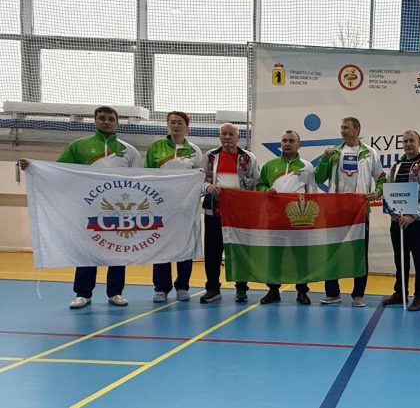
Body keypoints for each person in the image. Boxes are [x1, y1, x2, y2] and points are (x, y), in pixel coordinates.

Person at [20, 106, 142, 309]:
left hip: (118, 210)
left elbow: (138, 180)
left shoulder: (130, 151)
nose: (106, 122)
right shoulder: (78, 146)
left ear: (117, 122)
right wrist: (33, 167)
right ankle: (83, 293)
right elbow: (59, 171)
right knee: (86, 251)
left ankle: (115, 292)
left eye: (110, 119)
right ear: (95, 120)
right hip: (87, 208)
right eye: (102, 118)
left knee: (117, 251)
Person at [314, 117, 385, 307]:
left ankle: (358, 294)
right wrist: (324, 159)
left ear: (357, 130)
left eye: (346, 127)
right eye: (341, 127)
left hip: (360, 211)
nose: (342, 131)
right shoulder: (334, 153)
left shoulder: (369, 153)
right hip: (335, 211)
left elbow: (381, 177)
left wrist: (378, 191)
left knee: (359, 253)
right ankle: (332, 293)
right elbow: (319, 177)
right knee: (332, 252)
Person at [145, 111, 203, 303]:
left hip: (186, 208)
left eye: (179, 122)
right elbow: (146, 175)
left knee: (185, 247)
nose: (175, 125)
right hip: (161, 207)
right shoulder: (156, 147)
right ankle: (161, 288)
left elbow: (199, 177)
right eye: (172, 122)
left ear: (187, 127)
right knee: (161, 248)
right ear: (168, 125)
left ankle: (183, 286)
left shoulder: (194, 150)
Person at [256, 130, 318, 306]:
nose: (287, 144)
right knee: (274, 256)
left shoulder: (307, 167)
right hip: (275, 219)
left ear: (299, 145)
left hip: (299, 219)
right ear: (280, 143)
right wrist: (266, 191)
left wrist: (311, 219)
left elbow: (312, 193)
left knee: (301, 257)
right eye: (284, 140)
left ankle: (302, 291)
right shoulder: (269, 165)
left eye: (291, 140)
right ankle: (273, 290)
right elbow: (260, 185)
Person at [199, 123, 259, 304]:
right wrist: (208, 187)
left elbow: (256, 184)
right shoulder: (210, 157)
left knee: (240, 252)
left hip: (239, 215)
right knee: (212, 253)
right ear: (219, 136)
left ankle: (241, 288)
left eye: (231, 134)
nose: (227, 137)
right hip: (214, 212)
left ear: (238, 137)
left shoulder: (248, 158)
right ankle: (212, 289)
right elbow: (199, 181)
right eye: (224, 134)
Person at [381, 130, 420, 312]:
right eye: (405, 141)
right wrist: (391, 211)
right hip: (398, 221)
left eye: (411, 141)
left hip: (417, 222)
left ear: (419, 142)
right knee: (400, 258)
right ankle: (400, 292)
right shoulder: (395, 166)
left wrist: (413, 215)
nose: (408, 144)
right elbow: (388, 189)